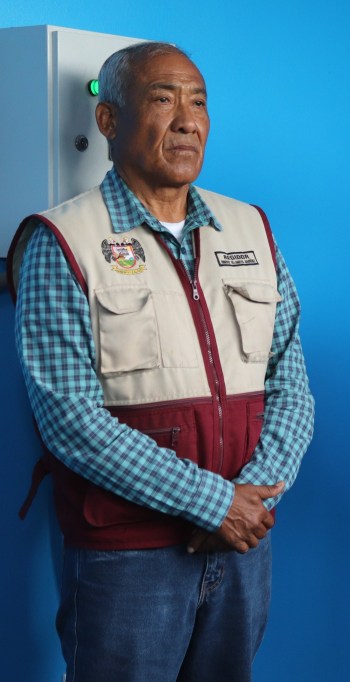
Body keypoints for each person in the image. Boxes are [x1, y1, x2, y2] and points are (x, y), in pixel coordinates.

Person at [7, 41, 314, 681]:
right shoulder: (61, 240)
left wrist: (253, 499)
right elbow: (70, 420)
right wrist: (214, 504)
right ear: (108, 120)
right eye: (163, 99)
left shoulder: (250, 228)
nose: (187, 121)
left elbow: (291, 383)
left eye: (198, 102)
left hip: (242, 548)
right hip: (127, 557)